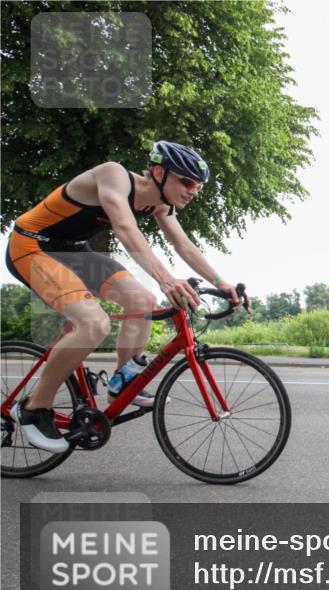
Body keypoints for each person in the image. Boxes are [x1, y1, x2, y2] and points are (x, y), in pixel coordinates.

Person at [5, 141, 242, 453]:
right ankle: (34, 409)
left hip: (75, 252)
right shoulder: (113, 175)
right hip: (33, 246)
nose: (193, 190)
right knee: (94, 324)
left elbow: (183, 245)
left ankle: (121, 384)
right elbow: (124, 227)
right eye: (186, 181)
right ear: (159, 172)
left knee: (143, 302)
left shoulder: (160, 204)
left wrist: (221, 282)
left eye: (198, 186)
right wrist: (166, 279)